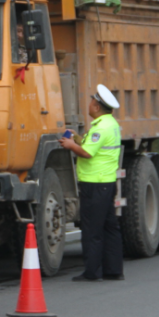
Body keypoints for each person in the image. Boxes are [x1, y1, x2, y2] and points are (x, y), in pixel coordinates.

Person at [58, 84, 124, 282]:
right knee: (109, 227)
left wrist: (70, 145)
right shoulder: (109, 123)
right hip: (106, 182)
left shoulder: (101, 127)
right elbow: (92, 146)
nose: (89, 104)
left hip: (95, 184)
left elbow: (87, 153)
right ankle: (113, 270)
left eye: (91, 101)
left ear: (96, 107)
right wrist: (78, 138)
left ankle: (92, 272)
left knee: (92, 230)